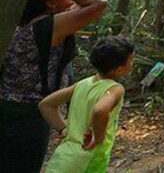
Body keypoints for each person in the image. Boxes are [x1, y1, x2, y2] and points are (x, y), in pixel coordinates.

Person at [0, 0, 107, 172]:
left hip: (10, 107)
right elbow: (99, 4)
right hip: (28, 115)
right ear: (50, 1)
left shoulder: (26, 24)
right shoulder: (51, 26)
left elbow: (82, 4)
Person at [40, 36, 134, 173]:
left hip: (64, 156)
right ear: (119, 69)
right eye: (131, 60)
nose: (133, 62)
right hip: (87, 159)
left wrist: (63, 129)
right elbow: (100, 110)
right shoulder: (115, 89)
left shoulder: (83, 84)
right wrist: (98, 137)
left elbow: (46, 104)